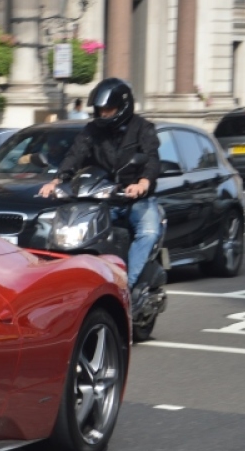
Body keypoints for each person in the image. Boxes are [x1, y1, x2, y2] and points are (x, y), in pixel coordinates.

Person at [39, 77, 162, 296]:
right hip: (103, 198)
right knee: (70, 228)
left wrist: (142, 183)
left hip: (135, 198)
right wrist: (56, 181)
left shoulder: (143, 128)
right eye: (100, 109)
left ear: (123, 106)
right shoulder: (92, 130)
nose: (104, 114)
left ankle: (126, 286)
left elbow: (152, 159)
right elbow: (75, 155)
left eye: (109, 109)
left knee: (149, 231)